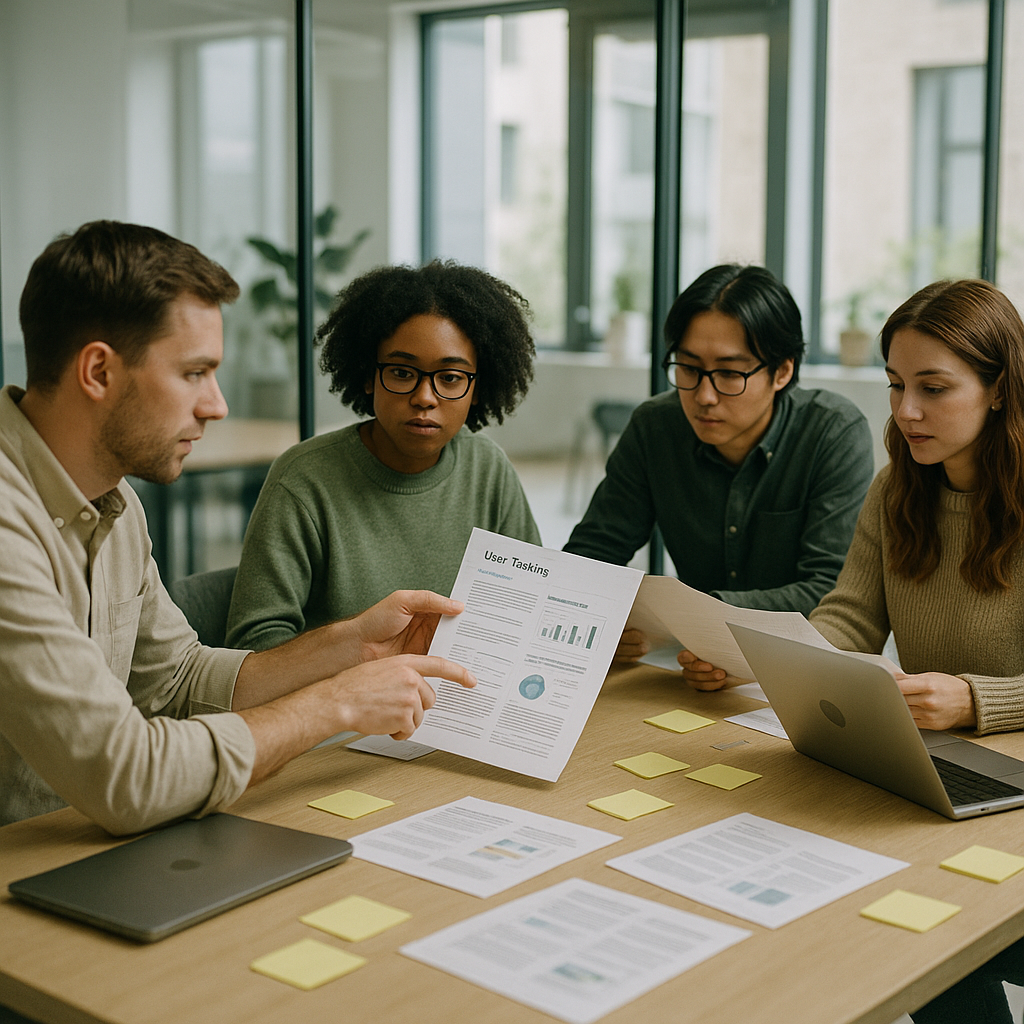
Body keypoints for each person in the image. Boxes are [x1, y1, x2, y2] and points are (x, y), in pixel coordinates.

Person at [0, 221, 475, 835]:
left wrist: (351, 646)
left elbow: (178, 682)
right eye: (194, 373)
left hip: (81, 856)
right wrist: (334, 704)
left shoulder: (114, 505)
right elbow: (128, 776)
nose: (217, 405)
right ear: (98, 372)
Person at [808, 279, 1024, 1023]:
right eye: (897, 385)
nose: (905, 412)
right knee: (907, 925)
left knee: (940, 933)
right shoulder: (895, 490)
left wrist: (976, 698)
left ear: (999, 390)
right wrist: (782, 656)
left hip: (1010, 786)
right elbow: (849, 619)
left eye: (934, 388)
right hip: (955, 777)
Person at [563, 264, 874, 680]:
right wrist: (599, 620)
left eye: (730, 373)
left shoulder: (831, 432)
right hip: (694, 671)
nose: (704, 396)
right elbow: (592, 556)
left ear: (782, 371)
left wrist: (698, 618)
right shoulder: (656, 427)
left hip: (805, 671)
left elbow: (829, 590)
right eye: (689, 369)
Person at [225, 260, 540, 652]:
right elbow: (252, 645)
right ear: (368, 377)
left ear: (477, 388)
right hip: (343, 705)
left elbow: (530, 609)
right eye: (402, 373)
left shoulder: (488, 469)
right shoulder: (303, 480)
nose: (425, 397)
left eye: (451, 378)